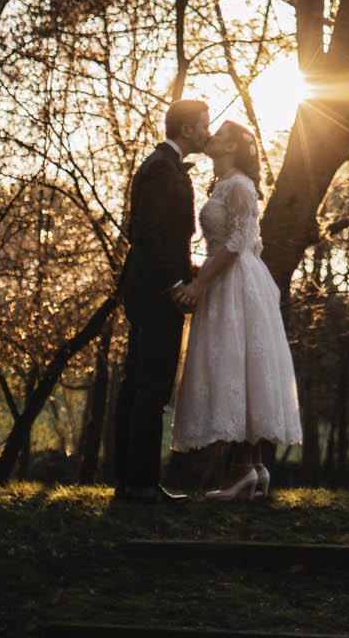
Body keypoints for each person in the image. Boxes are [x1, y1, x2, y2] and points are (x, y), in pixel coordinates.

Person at [171, 121, 302, 497]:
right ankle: (252, 469)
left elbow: (237, 242)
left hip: (234, 283)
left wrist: (200, 284)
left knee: (241, 364)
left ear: (231, 148)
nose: (209, 135)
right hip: (225, 276)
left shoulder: (241, 186)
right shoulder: (226, 185)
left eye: (219, 134)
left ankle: (245, 469)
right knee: (239, 365)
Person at [112, 96, 212, 502]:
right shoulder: (160, 168)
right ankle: (140, 484)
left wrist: (190, 273)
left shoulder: (164, 166)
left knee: (139, 386)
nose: (208, 131)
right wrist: (174, 284)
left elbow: (165, 237)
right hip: (154, 293)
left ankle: (132, 481)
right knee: (150, 388)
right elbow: (145, 233)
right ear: (187, 129)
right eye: (204, 124)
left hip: (151, 288)